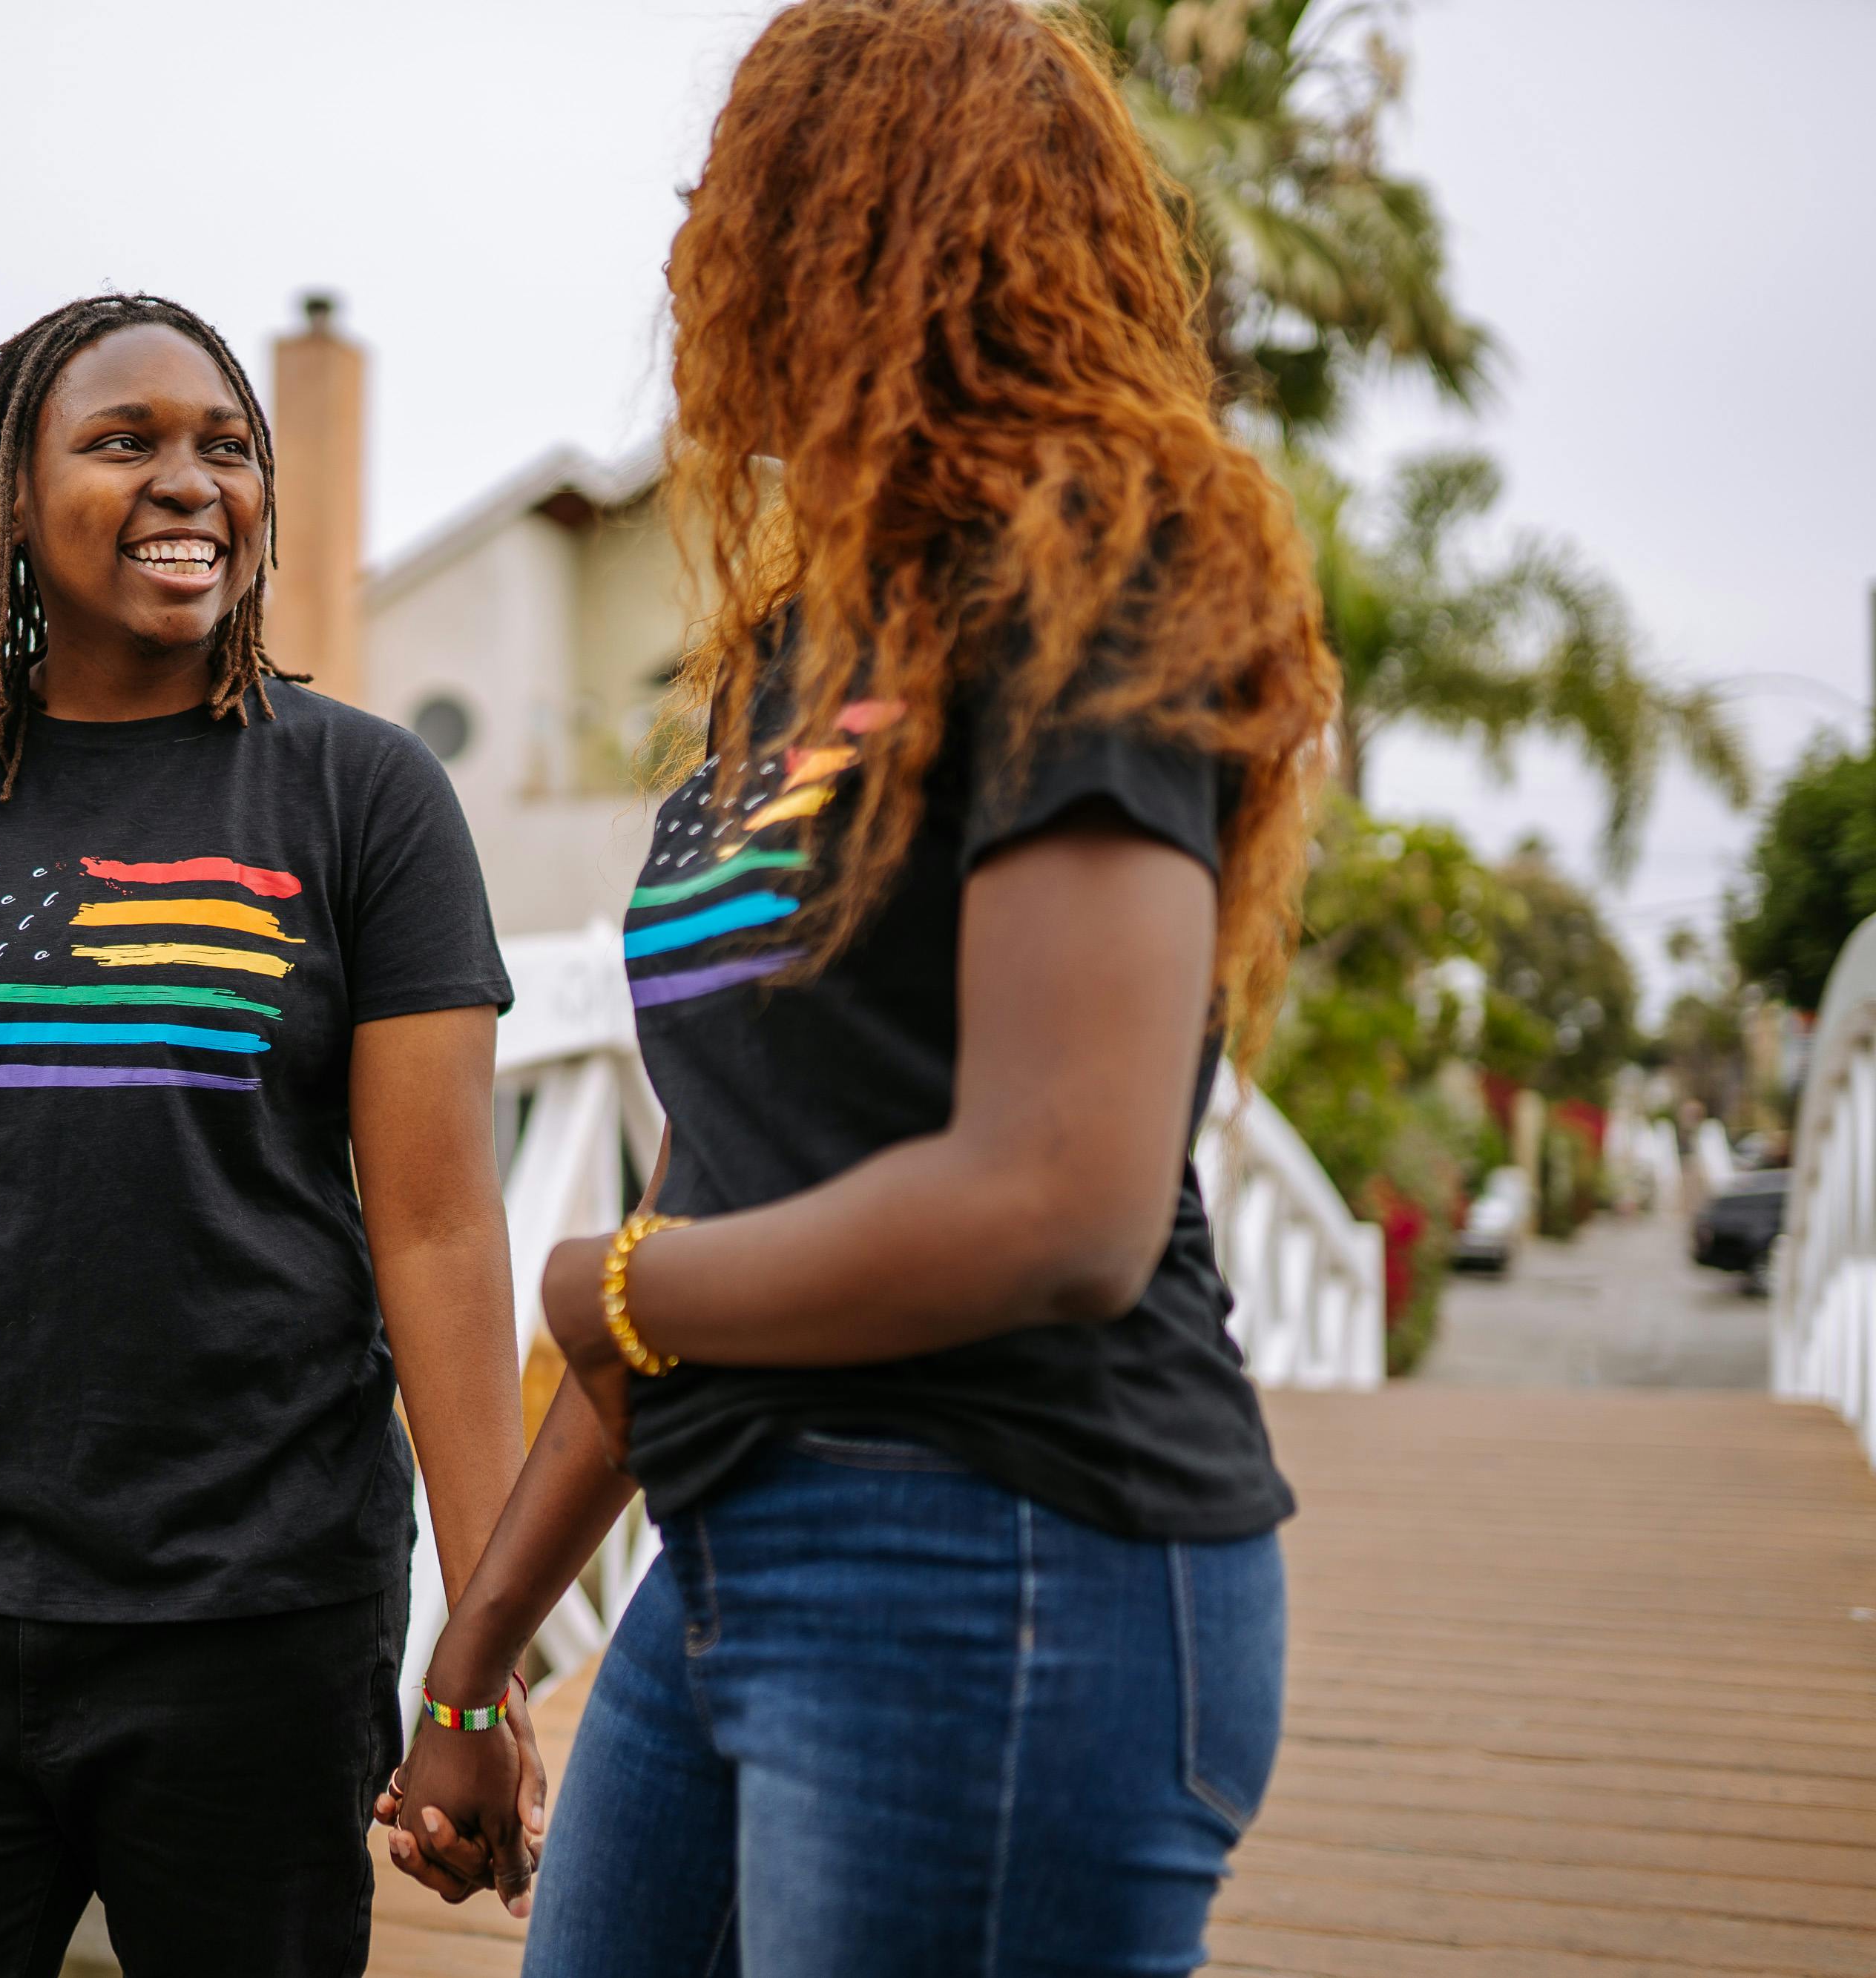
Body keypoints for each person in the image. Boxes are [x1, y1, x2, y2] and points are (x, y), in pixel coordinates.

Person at [382, 3, 1342, 1971]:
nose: (683, 254)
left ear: (869, 227)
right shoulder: (793, 652)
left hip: (1006, 1548)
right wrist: (476, 1663)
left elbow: (1057, 1199)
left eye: (727, 200)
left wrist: (606, 1288)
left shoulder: (1107, 560)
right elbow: (737, 1182)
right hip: (734, 1547)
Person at [0, 292, 539, 1977]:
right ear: (11, 497)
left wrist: (476, 1663)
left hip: (264, 1618)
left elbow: (443, 1230)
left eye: (225, 446)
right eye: (123, 441)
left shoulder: (362, 794)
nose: (191, 482)